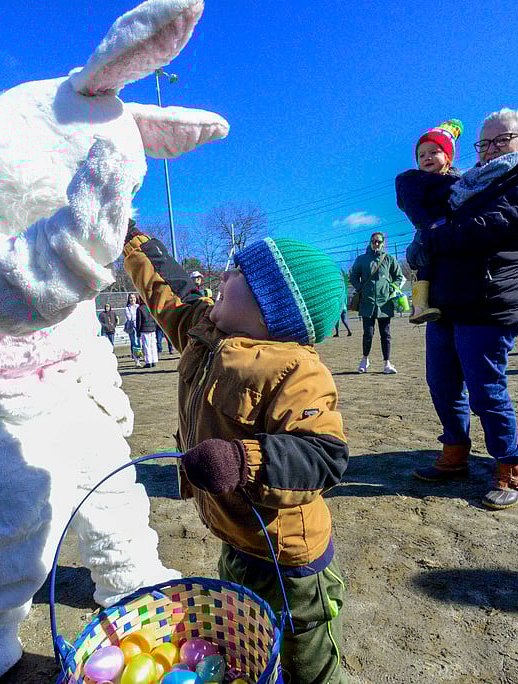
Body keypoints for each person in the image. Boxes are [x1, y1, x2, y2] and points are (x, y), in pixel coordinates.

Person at [125, 227, 351, 684]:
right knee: (247, 647)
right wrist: (132, 241)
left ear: (272, 305)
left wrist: (240, 460)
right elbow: (169, 287)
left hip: (290, 564)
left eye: (239, 271)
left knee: (307, 664)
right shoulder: (204, 331)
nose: (222, 274)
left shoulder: (296, 370)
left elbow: (323, 455)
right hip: (235, 540)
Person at [411, 108, 518, 510]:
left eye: (501, 140)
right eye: (484, 143)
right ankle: (455, 453)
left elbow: (502, 222)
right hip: (447, 300)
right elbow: (428, 220)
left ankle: (509, 466)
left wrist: (438, 235)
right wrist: (429, 238)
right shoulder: (465, 185)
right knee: (442, 384)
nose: (490, 149)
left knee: (486, 390)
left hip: (491, 300)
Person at [397, 119, 463, 325]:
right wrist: (427, 226)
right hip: (428, 231)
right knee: (425, 266)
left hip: (448, 231)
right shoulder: (414, 180)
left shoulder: (457, 181)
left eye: (434, 152)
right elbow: (412, 206)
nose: (427, 158)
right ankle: (419, 307)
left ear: (448, 158)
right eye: (421, 155)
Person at [349, 232, 404, 374]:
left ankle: (387, 363)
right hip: (367, 303)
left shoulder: (389, 259)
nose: (376, 244)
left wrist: (392, 287)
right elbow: (353, 277)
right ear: (370, 242)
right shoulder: (361, 259)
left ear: (383, 243)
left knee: (385, 333)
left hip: (385, 303)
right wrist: (360, 288)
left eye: (379, 241)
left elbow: (398, 276)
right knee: (368, 333)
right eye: (374, 241)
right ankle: (364, 360)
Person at [135, 301, 159, 368]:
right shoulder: (151, 307)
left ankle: (148, 362)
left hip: (144, 329)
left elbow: (138, 321)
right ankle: (154, 360)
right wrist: (154, 327)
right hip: (152, 329)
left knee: (146, 346)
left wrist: (138, 331)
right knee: (153, 345)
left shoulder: (140, 309)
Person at [123, 292, 143, 367]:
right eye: (131, 298)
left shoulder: (138, 306)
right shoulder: (127, 308)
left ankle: (142, 357)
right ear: (129, 299)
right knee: (135, 343)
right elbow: (130, 318)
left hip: (139, 326)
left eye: (134, 298)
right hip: (132, 328)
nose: (132, 299)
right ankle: (137, 360)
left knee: (141, 343)